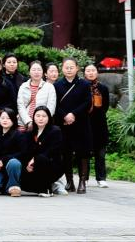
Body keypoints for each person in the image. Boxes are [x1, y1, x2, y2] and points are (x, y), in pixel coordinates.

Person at [53, 58, 92, 193]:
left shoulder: (84, 84)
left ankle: (82, 181)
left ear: (77, 68)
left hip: (81, 123)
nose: (69, 70)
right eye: (66, 67)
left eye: (71, 67)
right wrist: (65, 115)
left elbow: (87, 102)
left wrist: (73, 114)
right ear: (62, 69)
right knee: (66, 153)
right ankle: (69, 181)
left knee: (83, 153)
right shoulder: (57, 85)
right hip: (64, 123)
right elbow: (55, 104)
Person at [19, 106, 64, 197]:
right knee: (24, 183)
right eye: (38, 116)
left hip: (52, 164)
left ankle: (46, 189)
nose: (40, 118)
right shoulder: (30, 132)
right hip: (34, 165)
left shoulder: (55, 131)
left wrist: (34, 159)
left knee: (40, 158)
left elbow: (52, 151)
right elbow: (26, 151)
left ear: (49, 118)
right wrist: (28, 164)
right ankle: (44, 186)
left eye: (44, 116)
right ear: (33, 117)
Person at [0, 108, 25, 196]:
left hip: (12, 167)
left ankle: (14, 187)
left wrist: (4, 160)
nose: (5, 120)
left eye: (8, 118)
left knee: (14, 162)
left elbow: (23, 153)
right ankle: (10, 186)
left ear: (13, 120)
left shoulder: (19, 135)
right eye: (2, 118)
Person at [85, 63, 111, 189]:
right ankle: (84, 178)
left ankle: (101, 178)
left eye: (93, 70)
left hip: (100, 124)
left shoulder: (103, 88)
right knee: (85, 153)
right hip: (85, 124)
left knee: (100, 153)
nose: (90, 73)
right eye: (88, 70)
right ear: (84, 73)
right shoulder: (81, 87)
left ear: (97, 72)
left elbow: (105, 106)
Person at [16, 61, 56, 129]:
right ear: (29, 72)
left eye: (39, 70)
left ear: (43, 72)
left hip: (42, 124)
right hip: (24, 123)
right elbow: (20, 106)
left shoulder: (49, 87)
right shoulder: (23, 86)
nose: (36, 72)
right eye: (34, 70)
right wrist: (28, 121)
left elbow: (51, 107)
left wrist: (40, 121)